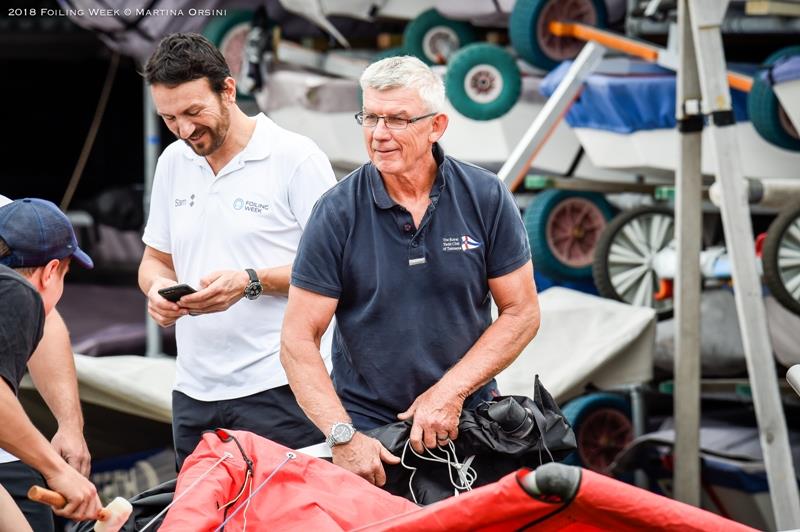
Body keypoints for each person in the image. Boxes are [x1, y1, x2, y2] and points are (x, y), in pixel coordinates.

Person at [280, 55, 541, 486]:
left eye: (397, 120)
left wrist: (450, 392)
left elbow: (522, 311)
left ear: (436, 126)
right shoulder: (336, 211)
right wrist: (343, 436)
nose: (379, 135)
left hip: (469, 420)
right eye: (370, 117)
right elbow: (296, 338)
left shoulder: (485, 195)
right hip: (370, 439)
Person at [138, 33, 337, 468]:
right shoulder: (173, 161)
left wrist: (250, 282)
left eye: (193, 112)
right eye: (170, 118)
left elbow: (342, 269)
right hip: (194, 391)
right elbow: (155, 260)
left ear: (228, 90)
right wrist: (158, 290)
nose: (185, 129)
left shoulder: (296, 157)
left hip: (284, 386)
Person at [0, 198, 102, 528]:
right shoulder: (16, 291)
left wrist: (70, 425)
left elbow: (48, 321)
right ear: (52, 271)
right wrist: (56, 470)